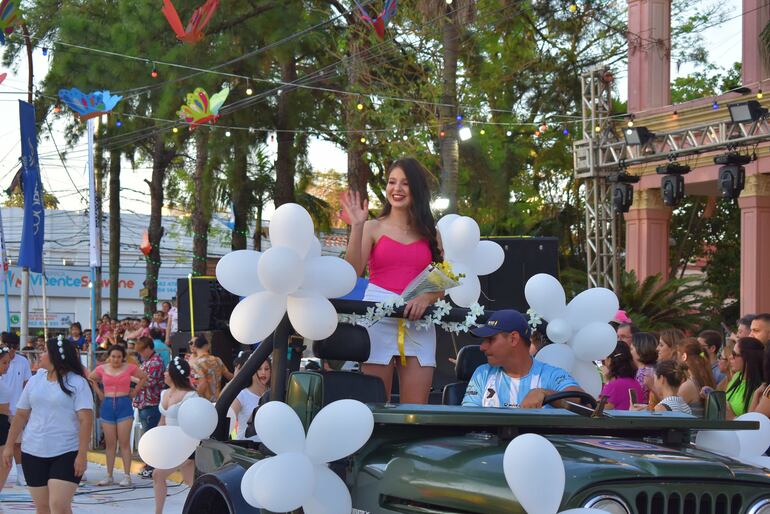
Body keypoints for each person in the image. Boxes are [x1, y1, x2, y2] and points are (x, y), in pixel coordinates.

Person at [341, 158, 444, 404]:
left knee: (415, 411)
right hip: (378, 318)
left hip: (419, 321)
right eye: (391, 182)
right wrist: (357, 226)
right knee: (375, 407)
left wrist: (426, 297)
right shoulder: (371, 227)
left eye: (405, 183)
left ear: (416, 189)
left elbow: (442, 282)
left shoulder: (432, 232)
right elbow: (350, 273)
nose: (396, 189)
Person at [2, 338, 93, 513]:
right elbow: (21, 414)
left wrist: (82, 454)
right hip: (32, 451)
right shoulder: (36, 380)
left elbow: (85, 419)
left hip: (67, 452)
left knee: (58, 505)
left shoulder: (78, 383)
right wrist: (8, 446)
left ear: (55, 357)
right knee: (43, 508)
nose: (41, 355)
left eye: (45, 351)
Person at [462, 310, 583, 408]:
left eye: (490, 339)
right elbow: (467, 420)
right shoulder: (482, 373)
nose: (482, 347)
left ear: (513, 339)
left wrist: (546, 393)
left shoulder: (552, 374)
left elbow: (584, 402)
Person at [88, 344, 147, 487]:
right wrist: (99, 392)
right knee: (110, 443)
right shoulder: (102, 368)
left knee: (124, 442)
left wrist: (135, 391)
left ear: (123, 357)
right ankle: (109, 475)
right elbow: (91, 377)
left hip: (124, 404)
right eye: (113, 356)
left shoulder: (129, 368)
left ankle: (127, 475)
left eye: (119, 357)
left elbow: (144, 377)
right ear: (109, 357)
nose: (116, 360)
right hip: (108, 404)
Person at [153, 357, 198, 514]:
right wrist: (156, 440)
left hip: (186, 444)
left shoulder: (191, 396)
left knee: (158, 474)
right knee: (192, 482)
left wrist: (191, 450)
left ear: (173, 374)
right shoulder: (164, 392)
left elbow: (195, 424)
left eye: (166, 371)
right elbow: (162, 420)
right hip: (170, 444)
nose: (164, 374)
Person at [0, 332, 31, 486]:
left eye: (14, 347)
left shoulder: (23, 361)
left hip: (16, 410)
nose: (11, 350)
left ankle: (21, 473)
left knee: (17, 444)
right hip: (4, 411)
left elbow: (27, 384)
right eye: (8, 346)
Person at [133, 337, 165, 480]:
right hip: (143, 403)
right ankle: (149, 464)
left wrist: (132, 377)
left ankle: (152, 465)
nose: (140, 355)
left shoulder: (155, 363)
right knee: (147, 436)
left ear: (148, 349)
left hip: (151, 404)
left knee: (151, 436)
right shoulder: (147, 362)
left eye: (141, 352)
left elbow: (149, 383)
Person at [230, 356, 271, 439]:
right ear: (252, 371)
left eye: (267, 369)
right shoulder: (241, 395)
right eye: (259, 369)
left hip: (268, 449)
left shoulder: (275, 393)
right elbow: (228, 421)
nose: (263, 372)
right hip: (246, 448)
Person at [725, 337, 765, 419]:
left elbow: (754, 423)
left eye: (734, 354)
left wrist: (732, 418)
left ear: (749, 358)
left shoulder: (762, 388)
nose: (730, 357)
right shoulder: (737, 376)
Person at [676, 338, 716, 416]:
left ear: (684, 356)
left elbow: (670, 413)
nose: (676, 358)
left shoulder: (688, 386)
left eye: (677, 354)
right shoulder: (706, 378)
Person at [599, 342, 642, 410]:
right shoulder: (635, 383)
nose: (603, 363)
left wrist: (607, 381)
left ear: (609, 360)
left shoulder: (613, 385)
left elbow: (599, 410)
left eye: (603, 360)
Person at [190, 336, 232, 402]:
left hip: (204, 402)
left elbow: (203, 384)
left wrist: (194, 398)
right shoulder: (217, 360)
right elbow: (229, 376)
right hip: (218, 400)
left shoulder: (196, 364)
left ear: (195, 347)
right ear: (207, 346)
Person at [629, 332, 657, 403]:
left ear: (641, 350)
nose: (629, 352)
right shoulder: (651, 369)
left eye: (631, 349)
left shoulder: (643, 372)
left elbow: (637, 399)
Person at [0, 346, 14, 488]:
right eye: (4, 363)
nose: (7, 366)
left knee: (5, 463)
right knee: (5, 463)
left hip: (4, 422)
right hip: (1, 422)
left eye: (8, 362)